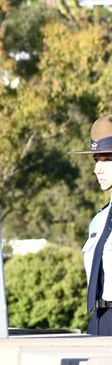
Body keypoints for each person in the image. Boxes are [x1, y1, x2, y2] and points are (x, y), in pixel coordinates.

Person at [74, 116, 112, 336]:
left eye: (106, 160)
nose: (97, 169)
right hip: (98, 321)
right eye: (96, 159)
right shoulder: (99, 219)